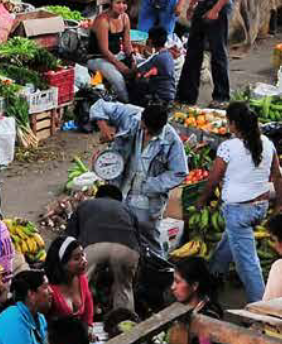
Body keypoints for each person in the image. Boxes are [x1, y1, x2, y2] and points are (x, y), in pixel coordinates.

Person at [197, 101, 282, 303]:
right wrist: (278, 204)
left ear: (234, 124)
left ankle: (262, 308)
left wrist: (202, 199)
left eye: (228, 122)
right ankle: (213, 273)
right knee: (231, 239)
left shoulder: (228, 147)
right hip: (259, 207)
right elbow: (277, 176)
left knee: (247, 264)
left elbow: (213, 179)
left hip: (238, 211)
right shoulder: (267, 143)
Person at [91, 100, 188, 250]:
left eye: (153, 132)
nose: (147, 133)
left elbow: (179, 172)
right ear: (142, 119)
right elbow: (99, 106)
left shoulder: (172, 140)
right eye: (146, 128)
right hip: (120, 189)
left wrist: (151, 185)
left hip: (147, 201)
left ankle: (158, 269)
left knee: (149, 241)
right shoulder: (130, 115)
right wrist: (104, 127)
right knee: (116, 234)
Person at [65, 184, 143, 314]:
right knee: (124, 288)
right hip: (126, 249)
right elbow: (138, 241)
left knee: (82, 285)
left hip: (93, 246)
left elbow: (70, 236)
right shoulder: (127, 209)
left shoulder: (86, 205)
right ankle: (125, 326)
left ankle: (79, 321)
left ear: (98, 196)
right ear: (118, 200)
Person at [87, 0, 135, 100]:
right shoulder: (103, 21)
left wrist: (132, 59)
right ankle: (126, 102)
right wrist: (120, 65)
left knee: (140, 67)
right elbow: (104, 50)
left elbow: (127, 43)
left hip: (116, 55)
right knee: (117, 78)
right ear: (111, 3)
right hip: (98, 58)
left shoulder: (125, 18)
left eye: (124, 3)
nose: (122, 6)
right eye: (118, 3)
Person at [43, 236, 94, 327]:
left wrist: (88, 327)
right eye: (76, 258)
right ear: (61, 263)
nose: (84, 261)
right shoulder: (48, 289)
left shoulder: (81, 279)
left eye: (83, 255)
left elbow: (88, 309)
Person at [129, 26, 177, 107]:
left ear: (150, 41)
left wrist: (132, 58)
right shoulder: (168, 54)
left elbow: (136, 69)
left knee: (136, 83)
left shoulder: (157, 58)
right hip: (170, 95)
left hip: (160, 98)